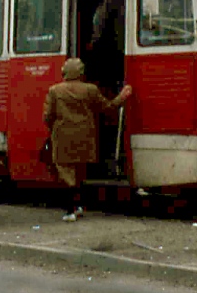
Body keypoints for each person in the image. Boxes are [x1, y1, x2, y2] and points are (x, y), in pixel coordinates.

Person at [43, 58, 132, 222]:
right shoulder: (90, 89)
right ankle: (79, 206)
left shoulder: (54, 91)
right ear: (81, 72)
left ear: (65, 72)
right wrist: (122, 96)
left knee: (66, 174)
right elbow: (108, 107)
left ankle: (70, 210)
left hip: (63, 136)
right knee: (80, 172)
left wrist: (53, 127)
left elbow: (48, 116)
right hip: (85, 135)